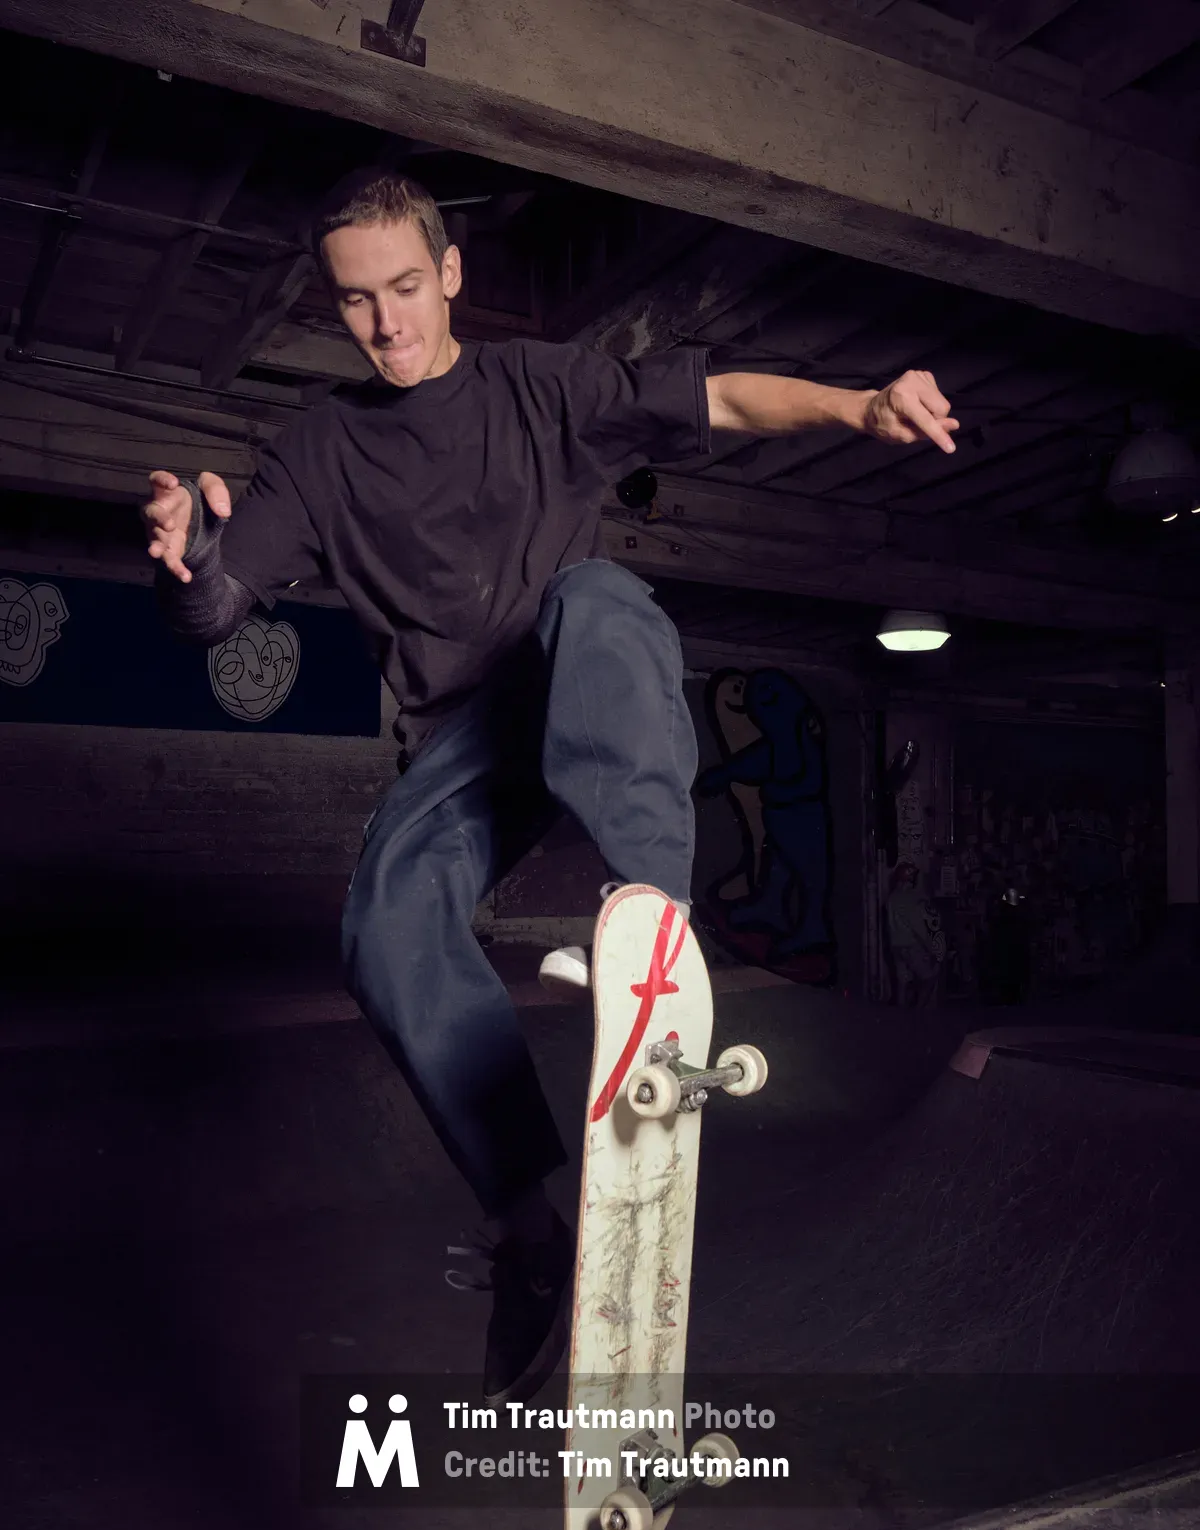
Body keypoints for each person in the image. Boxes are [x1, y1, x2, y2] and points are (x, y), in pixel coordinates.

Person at [142, 168, 959, 1404]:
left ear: (451, 272)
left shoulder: (542, 384)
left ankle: (656, 936)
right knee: (382, 924)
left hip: (572, 679)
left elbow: (719, 394)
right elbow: (213, 609)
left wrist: (857, 408)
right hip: (463, 745)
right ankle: (530, 1238)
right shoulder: (315, 448)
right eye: (358, 301)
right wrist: (184, 558)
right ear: (334, 303)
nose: (389, 325)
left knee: (600, 599)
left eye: (408, 289)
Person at [886, 862, 944, 1008]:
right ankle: (918, 1013)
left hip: (895, 945)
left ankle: (901, 1018)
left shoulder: (892, 898)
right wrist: (931, 949)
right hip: (910, 945)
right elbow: (918, 928)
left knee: (903, 983)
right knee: (929, 977)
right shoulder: (909, 899)